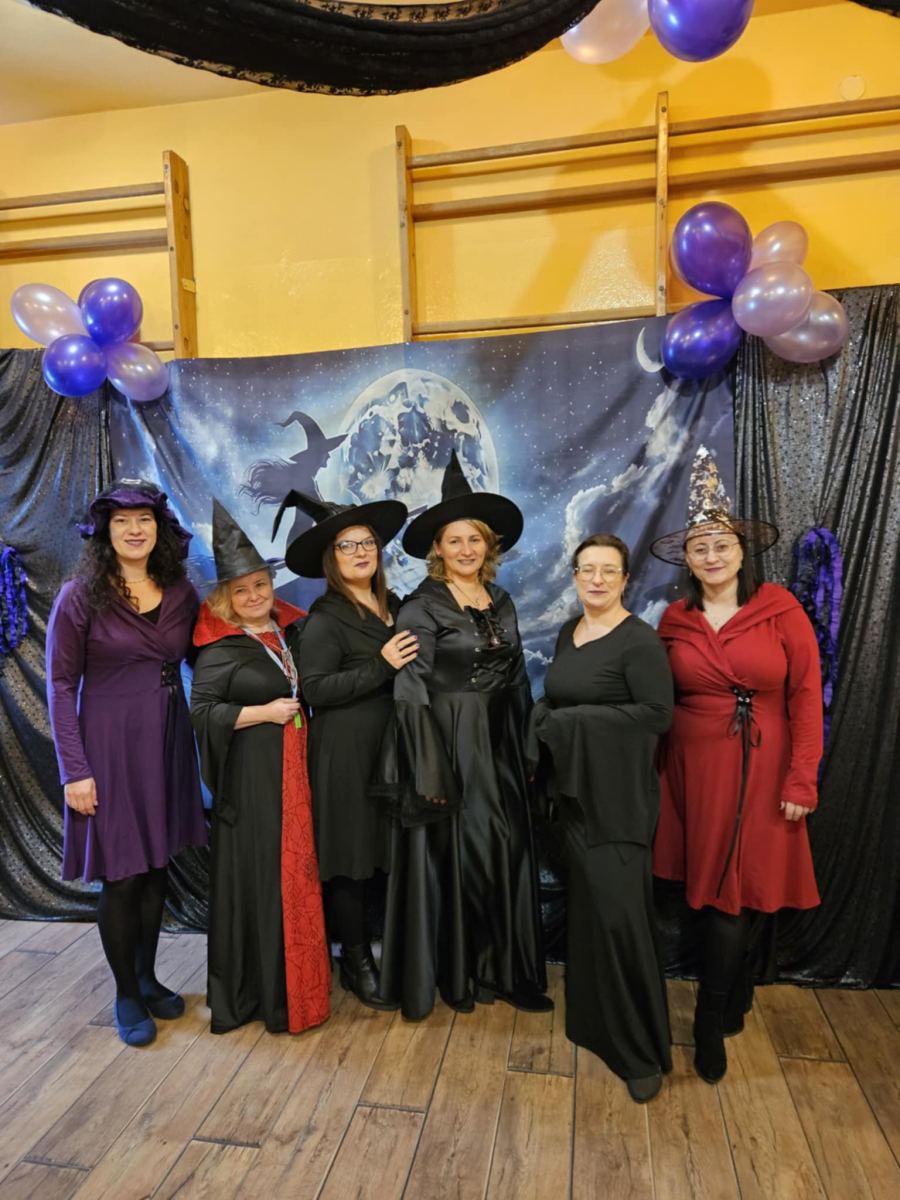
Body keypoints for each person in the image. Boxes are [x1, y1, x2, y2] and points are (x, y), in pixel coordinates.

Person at [650, 507, 823, 1084]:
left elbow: (805, 695)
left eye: (722, 544)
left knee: (738, 887)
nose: (712, 556)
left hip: (764, 766)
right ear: (687, 559)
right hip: (692, 770)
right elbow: (654, 694)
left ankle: (708, 1020)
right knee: (720, 886)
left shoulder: (780, 607)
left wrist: (802, 777)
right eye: (700, 547)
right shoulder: (675, 618)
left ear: (743, 551)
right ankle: (735, 992)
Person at [380, 451, 551, 1019]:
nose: (466, 549)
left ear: (488, 545)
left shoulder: (501, 600)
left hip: (501, 740)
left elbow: (518, 675)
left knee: (510, 848)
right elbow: (410, 689)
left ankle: (511, 969)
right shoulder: (421, 607)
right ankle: (466, 971)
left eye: (474, 539)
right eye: (454, 540)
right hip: (451, 741)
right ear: (437, 548)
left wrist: (527, 745)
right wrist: (429, 766)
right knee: (469, 854)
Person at [46, 478, 207, 1047]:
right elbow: (60, 685)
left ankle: (147, 976)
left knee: (157, 866)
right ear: (104, 532)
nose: (135, 529)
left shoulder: (181, 592)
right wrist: (75, 771)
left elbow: (207, 655)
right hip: (108, 748)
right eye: (122, 521)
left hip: (167, 740)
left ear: (159, 528)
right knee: (122, 874)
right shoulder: (79, 596)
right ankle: (125, 993)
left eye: (144, 519)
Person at [529, 534, 673, 1103]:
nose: (596, 579)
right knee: (588, 910)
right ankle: (593, 1023)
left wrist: (567, 723)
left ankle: (640, 1050)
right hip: (575, 796)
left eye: (608, 571)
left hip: (617, 801)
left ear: (625, 579)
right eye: (586, 569)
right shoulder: (571, 631)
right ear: (574, 575)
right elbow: (563, 696)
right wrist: (546, 714)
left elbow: (656, 716)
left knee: (620, 918)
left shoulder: (639, 641)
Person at [190, 501, 330, 1035]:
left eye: (260, 586)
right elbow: (201, 713)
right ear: (225, 598)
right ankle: (263, 993)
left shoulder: (287, 634)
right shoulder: (218, 647)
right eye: (241, 590)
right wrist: (262, 713)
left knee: (293, 873)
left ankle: (299, 986)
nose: (253, 597)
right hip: (252, 779)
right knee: (262, 875)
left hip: (292, 771)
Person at [278, 489, 413, 1010]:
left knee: (385, 853)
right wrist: (382, 665)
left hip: (393, 748)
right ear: (330, 560)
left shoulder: (395, 607)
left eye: (367, 543)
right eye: (346, 546)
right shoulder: (326, 617)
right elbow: (315, 691)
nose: (360, 552)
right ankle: (356, 963)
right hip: (345, 753)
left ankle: (391, 952)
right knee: (351, 858)